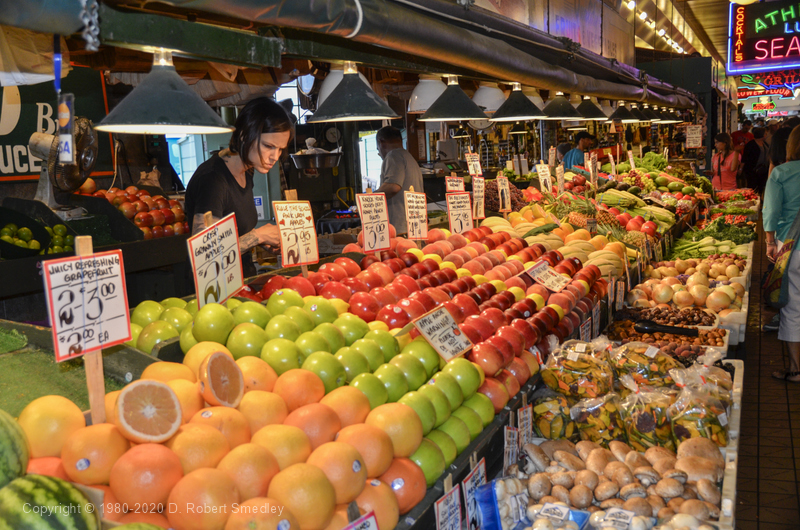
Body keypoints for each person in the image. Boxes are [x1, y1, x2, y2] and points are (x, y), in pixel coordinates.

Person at [184, 97, 291, 278]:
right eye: (268, 146)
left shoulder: (247, 171)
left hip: (242, 281)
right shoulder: (213, 179)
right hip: (216, 291)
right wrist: (257, 236)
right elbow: (202, 254)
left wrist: (261, 242)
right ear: (244, 136)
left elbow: (233, 235)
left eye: (280, 149)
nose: (275, 157)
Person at [763, 125, 800, 382]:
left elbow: (771, 212)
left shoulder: (781, 173)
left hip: (792, 247)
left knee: (793, 307)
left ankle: (796, 369)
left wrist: (769, 242)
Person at [375, 126, 424, 235]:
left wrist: (370, 199)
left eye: (378, 150)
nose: (380, 154)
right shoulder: (409, 157)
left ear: (381, 142)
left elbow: (393, 186)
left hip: (400, 229)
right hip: (414, 226)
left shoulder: (393, 155)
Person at [741, 127, 769, 192]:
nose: (766, 135)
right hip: (752, 170)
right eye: (765, 134)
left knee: (761, 187)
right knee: (752, 186)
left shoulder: (765, 144)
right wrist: (741, 168)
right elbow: (745, 157)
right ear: (761, 135)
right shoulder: (751, 144)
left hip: (763, 170)